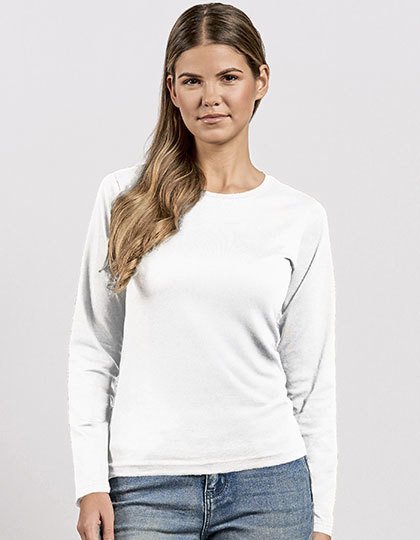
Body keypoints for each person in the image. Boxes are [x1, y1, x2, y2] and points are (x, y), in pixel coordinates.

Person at [67, 3, 337, 539]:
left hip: (270, 485)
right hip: (145, 484)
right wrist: (90, 481)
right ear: (172, 90)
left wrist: (322, 519)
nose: (210, 96)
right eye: (192, 80)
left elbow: (311, 381)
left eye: (229, 77)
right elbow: (94, 349)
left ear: (261, 82)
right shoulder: (125, 196)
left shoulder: (300, 217)